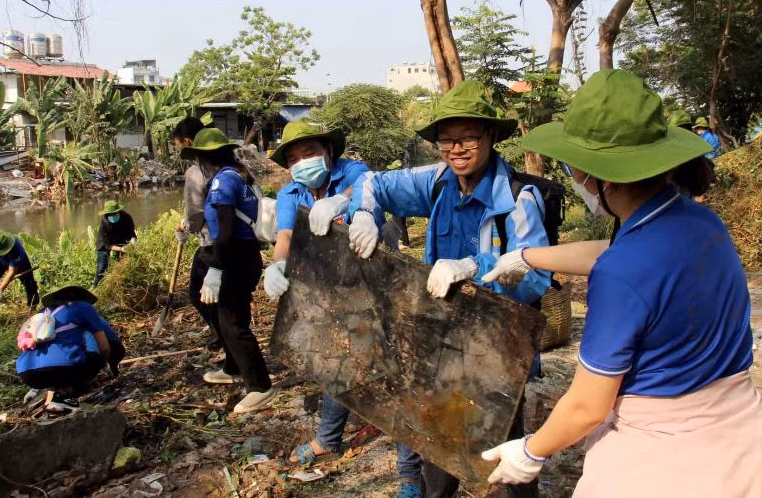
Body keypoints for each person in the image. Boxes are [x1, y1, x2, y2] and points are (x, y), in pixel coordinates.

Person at [480, 70, 762, 497]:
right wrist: (525, 256)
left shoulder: (620, 275)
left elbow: (588, 406)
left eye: (574, 168)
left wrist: (531, 451)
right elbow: (617, 253)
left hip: (664, 457)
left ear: (602, 176)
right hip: (737, 435)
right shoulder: (702, 222)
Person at [347, 80, 550, 498]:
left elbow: (535, 275)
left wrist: (474, 267)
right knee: (438, 439)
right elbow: (372, 182)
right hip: (441, 332)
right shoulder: (439, 181)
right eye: (447, 140)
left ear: (490, 137)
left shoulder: (518, 198)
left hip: (497, 343)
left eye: (468, 138)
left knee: (505, 439)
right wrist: (363, 213)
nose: (456, 149)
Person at [261, 120, 419, 491]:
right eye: (294, 158)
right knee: (337, 359)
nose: (303, 162)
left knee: (397, 372)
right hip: (334, 286)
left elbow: (365, 184)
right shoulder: (290, 194)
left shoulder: (350, 171)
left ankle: (409, 471)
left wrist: (342, 200)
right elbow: (285, 234)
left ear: (328, 151)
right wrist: (277, 265)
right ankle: (328, 440)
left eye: (310, 152)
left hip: (379, 280)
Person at [180, 127, 275, 413]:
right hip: (242, 254)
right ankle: (234, 367)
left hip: (234, 255)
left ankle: (260, 386)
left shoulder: (223, 181)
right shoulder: (238, 175)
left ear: (204, 159)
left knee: (232, 322)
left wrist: (216, 268)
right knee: (228, 316)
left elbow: (224, 230)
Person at [16, 285, 125, 413]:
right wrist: (103, 363)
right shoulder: (83, 307)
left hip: (26, 372)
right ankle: (64, 395)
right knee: (88, 349)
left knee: (58, 363)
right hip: (64, 368)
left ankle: (60, 398)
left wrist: (35, 389)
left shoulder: (42, 314)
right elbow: (105, 347)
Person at [171, 117, 224, 364]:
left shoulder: (196, 171)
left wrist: (186, 227)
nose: (179, 152)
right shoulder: (235, 166)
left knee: (197, 292)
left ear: (189, 142)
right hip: (241, 242)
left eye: (179, 146)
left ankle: (220, 334)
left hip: (213, 243)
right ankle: (225, 335)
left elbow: (195, 213)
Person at [0, 229, 39, 308]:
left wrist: (0, 290)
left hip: (18, 260)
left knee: (29, 282)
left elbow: (12, 271)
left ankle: (33, 305)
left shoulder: (15, 247)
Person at [94, 200, 136, 287]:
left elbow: (132, 234)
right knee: (101, 268)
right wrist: (121, 249)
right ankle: (96, 288)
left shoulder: (127, 218)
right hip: (105, 244)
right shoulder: (104, 221)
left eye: (114, 213)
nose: (112, 216)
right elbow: (106, 245)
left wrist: (132, 242)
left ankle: (123, 286)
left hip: (122, 241)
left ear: (118, 211)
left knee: (124, 266)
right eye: (110, 214)